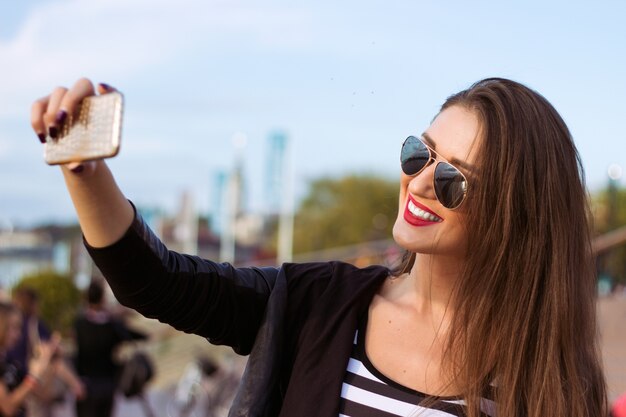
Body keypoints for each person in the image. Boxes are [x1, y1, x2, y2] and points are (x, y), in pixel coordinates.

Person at [30, 77, 608, 417]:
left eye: (455, 181)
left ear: (515, 218)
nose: (422, 181)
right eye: (419, 153)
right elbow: (157, 282)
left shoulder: (551, 378)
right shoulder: (317, 304)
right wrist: (83, 171)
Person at [73, 279, 147, 417]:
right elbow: (132, 336)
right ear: (102, 299)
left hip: (85, 383)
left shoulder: (79, 324)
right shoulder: (112, 326)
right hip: (107, 383)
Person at [6, 287, 85, 417]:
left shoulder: (14, 323)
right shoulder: (35, 324)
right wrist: (74, 383)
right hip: (32, 384)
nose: (16, 335)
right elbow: (51, 355)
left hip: (18, 384)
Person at [0, 302, 60, 417]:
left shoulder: (10, 360)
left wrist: (47, 361)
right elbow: (7, 407)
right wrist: (33, 377)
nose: (18, 334)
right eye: (14, 327)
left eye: (19, 328)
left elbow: (44, 395)